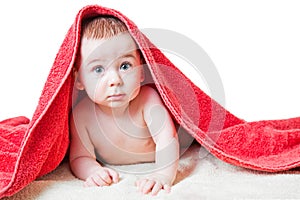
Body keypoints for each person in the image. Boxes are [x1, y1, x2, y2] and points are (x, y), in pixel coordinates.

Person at [69, 16, 179, 196]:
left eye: (125, 66)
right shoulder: (82, 115)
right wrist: (93, 171)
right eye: (98, 69)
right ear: (79, 79)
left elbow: (168, 139)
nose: (115, 80)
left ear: (142, 71)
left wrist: (162, 174)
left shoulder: (147, 100)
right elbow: (80, 157)